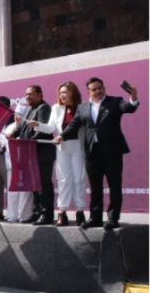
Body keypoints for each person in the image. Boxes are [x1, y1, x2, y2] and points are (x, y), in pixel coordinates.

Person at [57, 77, 139, 230]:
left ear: (104, 88)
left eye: (100, 88)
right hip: (92, 152)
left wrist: (133, 97)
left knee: (114, 186)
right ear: (89, 91)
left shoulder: (115, 102)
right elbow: (74, 125)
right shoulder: (82, 108)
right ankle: (95, 218)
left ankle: (113, 218)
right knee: (95, 187)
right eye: (94, 89)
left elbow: (129, 107)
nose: (98, 91)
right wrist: (62, 136)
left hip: (112, 152)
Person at [30, 82, 87, 226]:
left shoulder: (82, 107)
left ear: (73, 92)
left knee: (79, 179)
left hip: (78, 147)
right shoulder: (56, 108)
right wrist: (38, 125)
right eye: (60, 93)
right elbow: (50, 129)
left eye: (65, 92)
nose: (62, 95)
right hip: (62, 148)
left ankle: (80, 212)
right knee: (63, 180)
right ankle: (62, 212)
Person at [12, 86, 56, 225]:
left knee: (43, 184)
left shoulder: (43, 108)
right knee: (35, 184)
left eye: (30, 94)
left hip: (43, 152)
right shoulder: (29, 109)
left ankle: (46, 215)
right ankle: (37, 213)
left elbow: (43, 130)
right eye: (26, 94)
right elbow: (23, 129)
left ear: (40, 94)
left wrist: (29, 143)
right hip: (31, 153)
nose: (27, 97)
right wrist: (14, 132)